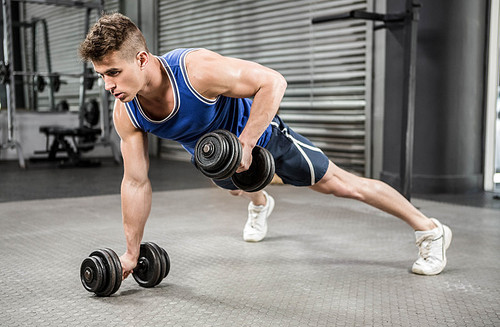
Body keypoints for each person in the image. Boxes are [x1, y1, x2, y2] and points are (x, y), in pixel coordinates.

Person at [79, 13, 452, 279]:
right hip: (215, 159)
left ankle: (430, 230)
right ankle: (260, 200)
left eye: (114, 72)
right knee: (232, 182)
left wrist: (245, 142)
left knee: (338, 183)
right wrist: (131, 252)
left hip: (259, 137)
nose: (109, 85)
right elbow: (136, 182)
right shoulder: (126, 112)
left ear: (141, 59)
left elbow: (273, 82)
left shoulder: (196, 71)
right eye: (101, 76)